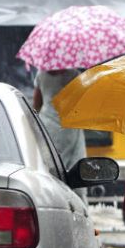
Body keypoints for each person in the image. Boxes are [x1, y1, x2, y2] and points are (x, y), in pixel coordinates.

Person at [33, 68, 88, 200]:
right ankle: (74, 202)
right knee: (74, 167)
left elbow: (36, 105)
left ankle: (50, 199)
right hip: (68, 127)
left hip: (47, 127)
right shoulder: (74, 75)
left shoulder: (41, 74)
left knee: (50, 167)